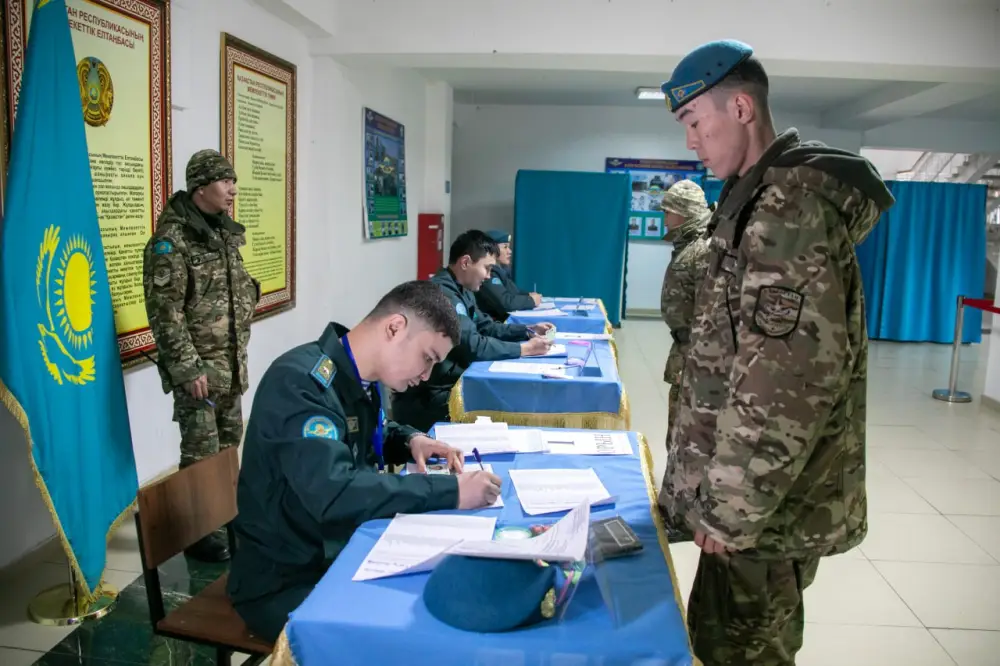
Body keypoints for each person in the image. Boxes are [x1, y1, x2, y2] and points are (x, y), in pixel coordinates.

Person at [657, 40, 894, 665]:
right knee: (717, 640)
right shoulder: (756, 200)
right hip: (755, 507)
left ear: (739, 107)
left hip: (760, 517)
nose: (691, 142)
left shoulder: (786, 212)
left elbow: (783, 382)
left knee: (740, 652)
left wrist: (731, 511)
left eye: (693, 122)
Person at [228, 281, 503, 642]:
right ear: (394, 328)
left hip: (337, 551)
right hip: (286, 580)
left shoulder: (358, 377)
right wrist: (450, 491)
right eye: (428, 358)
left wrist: (410, 440)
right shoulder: (300, 384)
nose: (426, 376)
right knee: (417, 633)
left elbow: (365, 434)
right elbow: (336, 490)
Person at [142, 149, 260, 562]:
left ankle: (225, 516)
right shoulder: (170, 243)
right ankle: (196, 534)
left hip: (229, 365)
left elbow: (236, 288)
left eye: (233, 181)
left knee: (229, 445)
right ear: (200, 187)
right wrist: (188, 367)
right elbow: (165, 312)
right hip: (199, 371)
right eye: (225, 181)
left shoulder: (223, 233)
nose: (232, 189)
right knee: (200, 451)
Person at [392, 230, 553, 431]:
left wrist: (526, 331)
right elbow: (473, 345)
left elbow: (486, 326)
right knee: (507, 402)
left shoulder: (462, 290)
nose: (487, 276)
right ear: (466, 262)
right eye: (486, 268)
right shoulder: (443, 295)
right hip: (430, 397)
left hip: (450, 383)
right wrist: (525, 350)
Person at [656, 179, 712, 493]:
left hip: (699, 356)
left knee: (687, 433)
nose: (665, 218)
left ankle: (685, 500)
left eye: (669, 211)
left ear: (685, 212)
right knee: (678, 431)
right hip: (686, 349)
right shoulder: (689, 246)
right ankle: (679, 496)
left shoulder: (702, 250)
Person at [475, 229, 541, 321]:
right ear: (491, 249)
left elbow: (513, 292)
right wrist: (531, 301)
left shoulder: (500, 271)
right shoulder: (489, 274)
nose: (509, 251)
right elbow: (506, 303)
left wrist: (528, 295)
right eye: (505, 247)